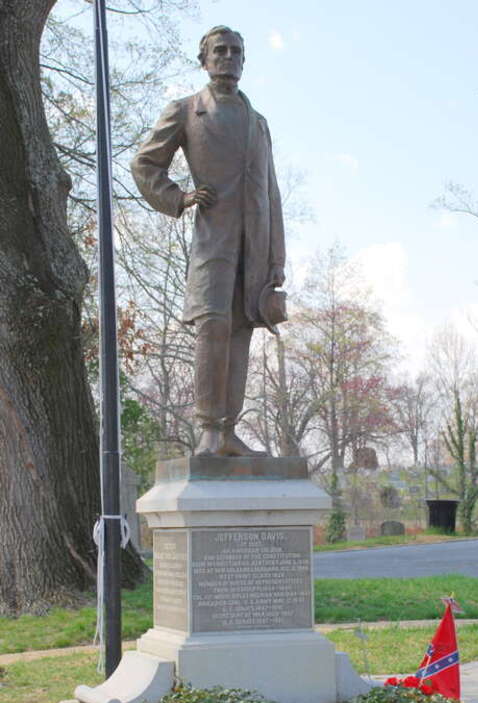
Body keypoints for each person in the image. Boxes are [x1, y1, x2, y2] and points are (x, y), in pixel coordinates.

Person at [131, 25, 285, 456]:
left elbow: (271, 193)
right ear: (204, 59)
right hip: (212, 241)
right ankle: (208, 431)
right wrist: (178, 198)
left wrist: (277, 258)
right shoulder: (185, 111)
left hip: (253, 246)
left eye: (236, 51)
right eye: (220, 50)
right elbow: (145, 164)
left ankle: (229, 431)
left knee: (241, 331)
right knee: (212, 325)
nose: (228, 57)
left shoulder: (258, 123)